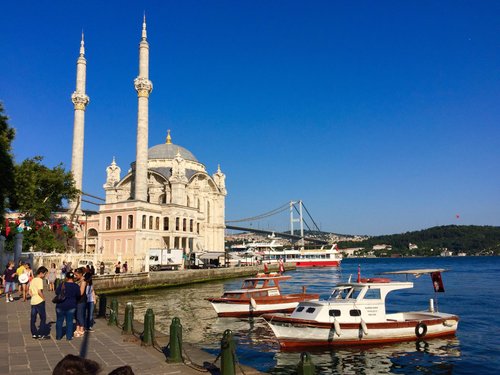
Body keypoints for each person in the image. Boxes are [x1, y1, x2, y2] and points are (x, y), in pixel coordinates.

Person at [55, 271, 81, 340]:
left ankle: (58, 336)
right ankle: (69, 336)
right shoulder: (76, 286)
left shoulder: (62, 284)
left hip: (60, 305)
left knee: (59, 321)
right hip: (71, 305)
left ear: (66, 277)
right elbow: (78, 295)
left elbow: (57, 292)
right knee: (69, 321)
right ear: (73, 278)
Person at [29, 266, 48, 339]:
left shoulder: (33, 280)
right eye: (45, 274)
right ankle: (40, 334)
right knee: (43, 318)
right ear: (41, 273)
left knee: (33, 318)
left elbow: (30, 291)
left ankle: (34, 333)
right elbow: (39, 291)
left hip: (33, 301)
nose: (45, 275)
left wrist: (33, 296)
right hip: (39, 301)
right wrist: (43, 298)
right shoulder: (40, 280)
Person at [74, 267, 87, 338]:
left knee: (80, 314)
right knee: (76, 314)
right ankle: (77, 327)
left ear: (81, 274)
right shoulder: (77, 281)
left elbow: (81, 292)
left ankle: (81, 329)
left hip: (81, 300)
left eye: (76, 275)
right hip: (76, 300)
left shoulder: (83, 281)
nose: (75, 276)